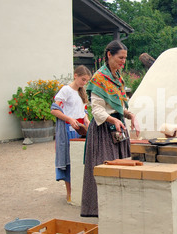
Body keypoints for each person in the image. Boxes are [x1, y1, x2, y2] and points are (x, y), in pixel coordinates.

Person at [80, 40, 140, 217]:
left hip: (118, 128)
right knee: (106, 169)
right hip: (103, 131)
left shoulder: (117, 78)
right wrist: (113, 120)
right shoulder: (99, 78)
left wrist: (130, 116)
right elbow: (97, 109)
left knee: (123, 167)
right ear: (109, 55)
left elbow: (117, 106)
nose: (123, 61)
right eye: (120, 57)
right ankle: (100, 210)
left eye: (125, 58)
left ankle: (119, 208)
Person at [51, 65, 92, 204]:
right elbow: (54, 110)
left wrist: (86, 118)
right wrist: (69, 119)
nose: (84, 82)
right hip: (68, 129)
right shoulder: (66, 90)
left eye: (86, 80)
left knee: (79, 161)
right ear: (75, 75)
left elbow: (82, 110)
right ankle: (69, 193)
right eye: (83, 79)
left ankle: (79, 192)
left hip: (80, 129)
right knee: (69, 162)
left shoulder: (81, 92)